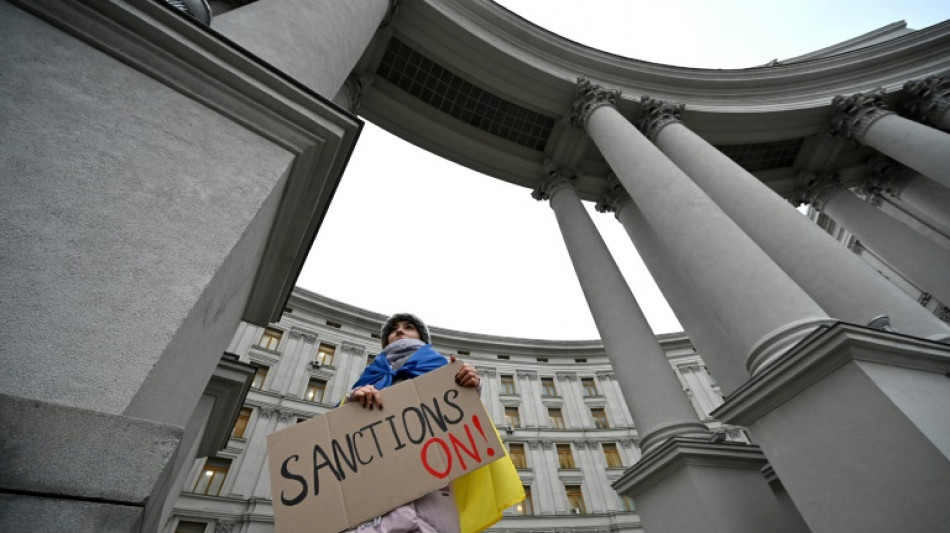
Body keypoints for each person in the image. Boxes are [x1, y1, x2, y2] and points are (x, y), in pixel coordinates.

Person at [345, 313, 522, 533]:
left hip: (435, 487)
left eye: (408, 327)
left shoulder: (442, 366)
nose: (399, 331)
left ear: (421, 336)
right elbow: (343, 436)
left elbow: (461, 415)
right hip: (384, 488)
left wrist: (470, 384)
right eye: (393, 329)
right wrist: (354, 400)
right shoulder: (370, 375)